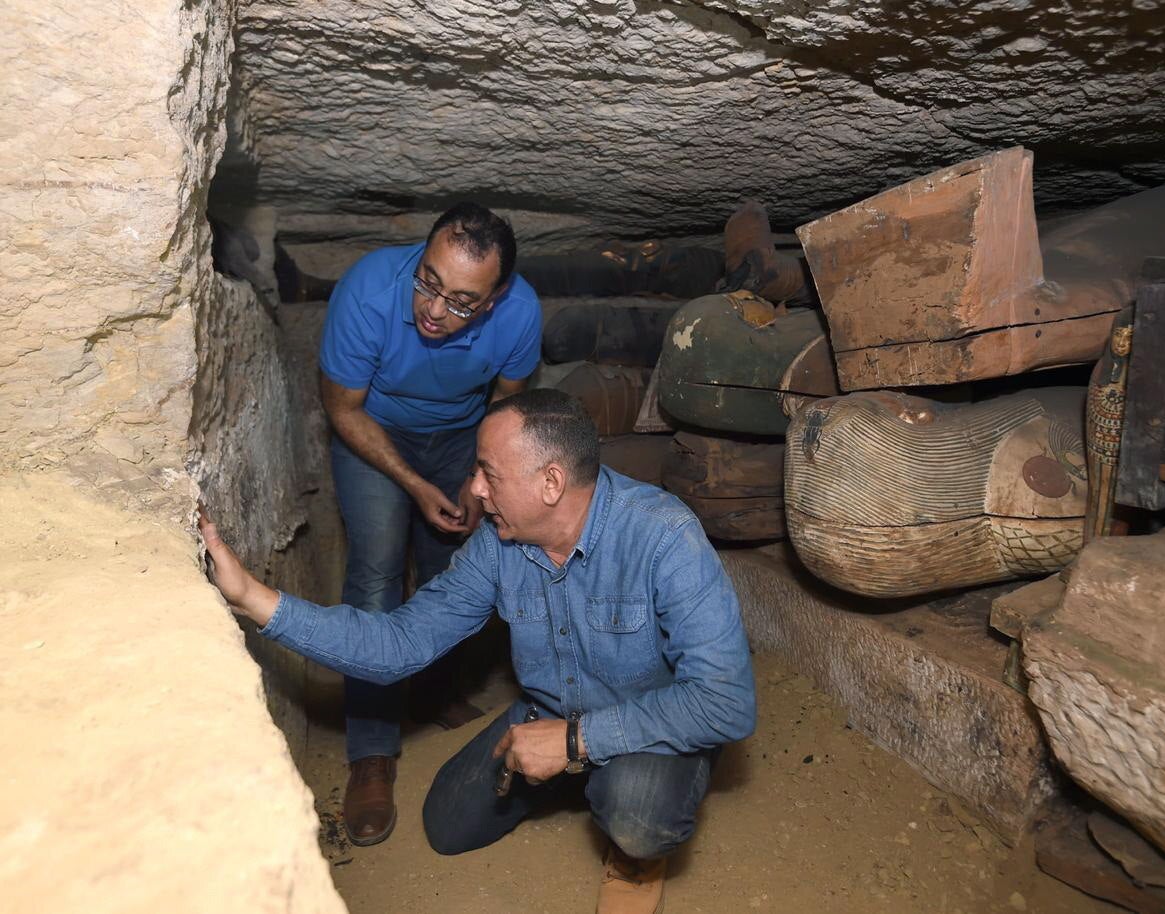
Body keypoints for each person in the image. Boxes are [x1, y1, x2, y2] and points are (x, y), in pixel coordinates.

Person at [201, 390, 756, 914]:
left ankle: (636, 836)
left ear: (551, 483)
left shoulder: (664, 537)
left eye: (488, 472)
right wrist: (255, 599)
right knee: (448, 825)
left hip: (646, 722)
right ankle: (568, 768)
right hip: (551, 708)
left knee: (637, 816)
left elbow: (727, 702)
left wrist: (575, 741)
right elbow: (400, 643)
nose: (476, 489)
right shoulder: (496, 543)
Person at [318, 202, 542, 846]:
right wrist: (415, 485)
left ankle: (436, 693)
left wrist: (482, 478)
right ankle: (371, 752)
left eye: (463, 302)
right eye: (428, 281)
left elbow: (507, 402)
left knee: (456, 570)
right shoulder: (368, 289)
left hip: (461, 438)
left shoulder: (521, 312)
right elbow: (342, 409)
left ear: (496, 299)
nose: (435, 310)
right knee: (376, 574)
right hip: (373, 434)